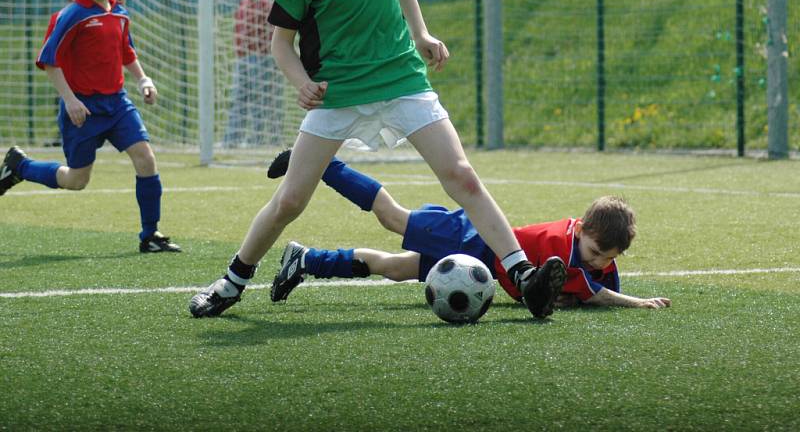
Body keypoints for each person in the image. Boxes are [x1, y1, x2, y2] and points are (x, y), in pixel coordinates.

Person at [189, 0, 563, 319]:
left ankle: (523, 276)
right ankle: (231, 282)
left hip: (401, 78)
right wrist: (302, 83)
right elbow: (280, 44)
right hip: (339, 92)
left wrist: (421, 33)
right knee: (289, 201)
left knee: (461, 175)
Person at [267, 150, 670, 310]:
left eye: (605, 257)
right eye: (595, 250)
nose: (597, 261)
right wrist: (636, 303)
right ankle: (319, 162)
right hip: (468, 238)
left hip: (473, 262)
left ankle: (304, 259)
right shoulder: (560, 245)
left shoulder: (587, 254)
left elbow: (595, 282)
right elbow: (593, 291)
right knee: (391, 216)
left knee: (392, 267)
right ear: (580, 228)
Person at [0, 0, 180, 254]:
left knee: (146, 158)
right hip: (83, 107)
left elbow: (126, 52)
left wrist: (143, 80)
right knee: (76, 180)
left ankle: (150, 235)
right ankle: (20, 167)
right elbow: (49, 62)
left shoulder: (120, 13)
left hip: (118, 103)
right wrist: (70, 100)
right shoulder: (71, 16)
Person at [223, 0, 283, 147]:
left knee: (259, 100)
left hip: (261, 58)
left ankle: (257, 139)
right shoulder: (243, 5)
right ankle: (231, 140)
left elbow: (273, 34)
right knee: (238, 99)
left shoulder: (267, 6)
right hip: (243, 60)